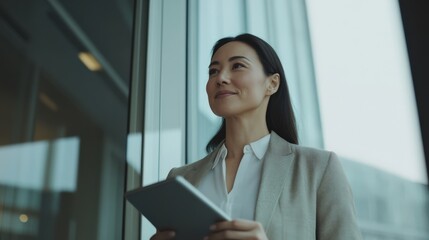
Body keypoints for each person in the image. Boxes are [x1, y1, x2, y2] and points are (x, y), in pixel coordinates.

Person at [151, 33, 362, 239]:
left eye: (237, 66)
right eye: (213, 71)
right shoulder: (181, 179)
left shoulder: (318, 168)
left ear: (272, 84)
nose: (221, 78)